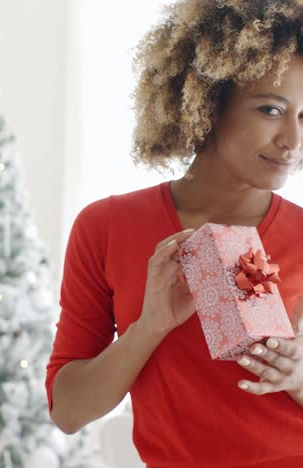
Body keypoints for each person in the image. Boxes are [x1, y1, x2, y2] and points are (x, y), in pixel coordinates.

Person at [46, 0, 303, 467]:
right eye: (271, 109)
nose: (293, 139)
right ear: (207, 102)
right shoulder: (106, 226)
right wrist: (150, 327)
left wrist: (298, 377)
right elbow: (68, 411)